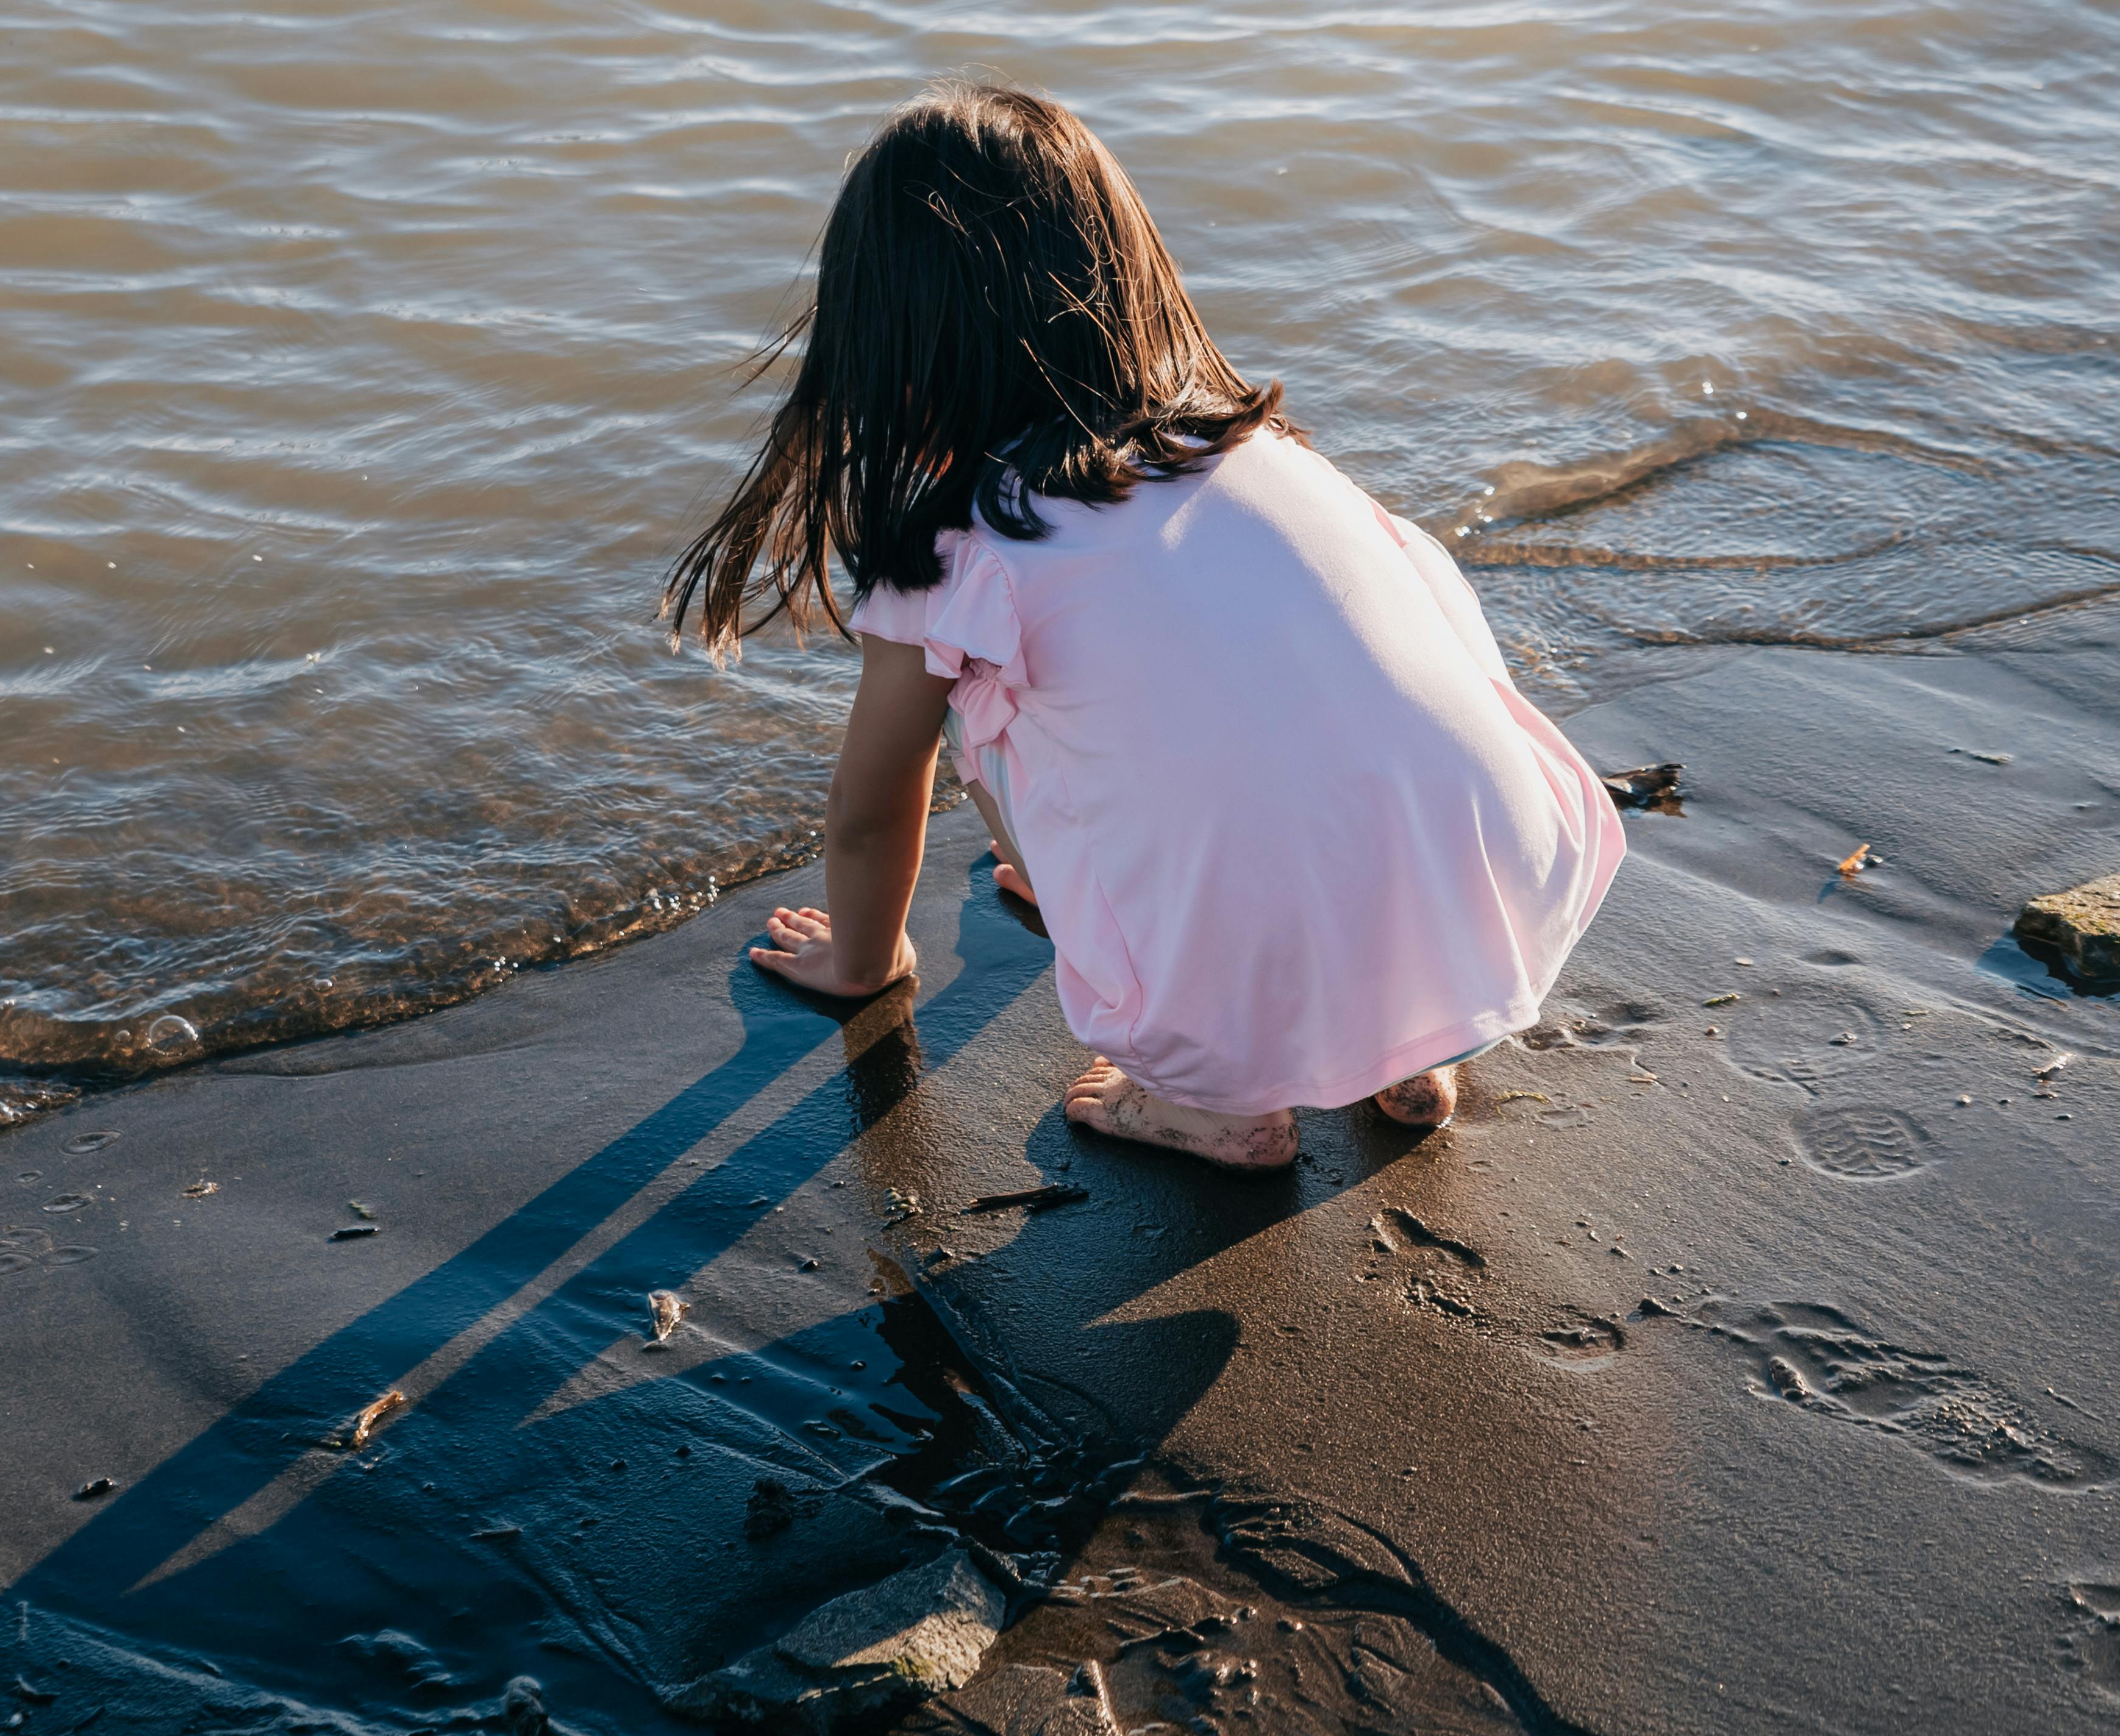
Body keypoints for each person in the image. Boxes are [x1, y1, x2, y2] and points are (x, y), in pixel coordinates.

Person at [664, 85, 1622, 1169]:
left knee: (981, 705)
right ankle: (1412, 1049)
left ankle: (1213, 1104)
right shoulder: (1257, 451)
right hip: (1497, 879)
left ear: (888, 334)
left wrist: (862, 965)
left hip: (1253, 972)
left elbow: (871, 804)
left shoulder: (963, 554)